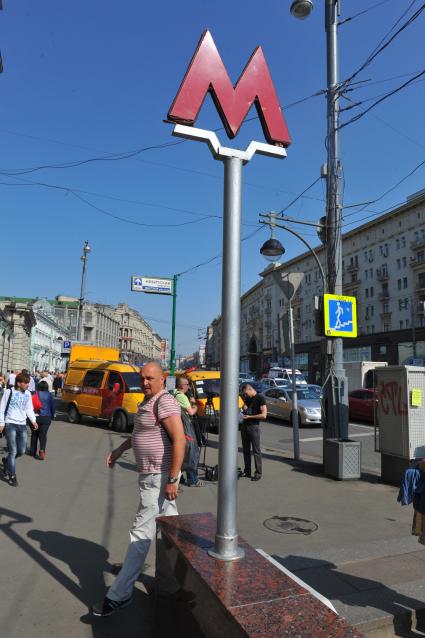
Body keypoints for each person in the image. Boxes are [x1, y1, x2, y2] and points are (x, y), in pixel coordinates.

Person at [92, 361, 185, 617]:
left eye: (150, 379)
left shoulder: (164, 401)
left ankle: (119, 596)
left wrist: (172, 479)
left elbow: (178, 440)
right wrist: (119, 450)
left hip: (159, 478)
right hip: (152, 477)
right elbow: (139, 434)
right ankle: (168, 586)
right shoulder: (147, 401)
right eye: (142, 378)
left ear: (162, 379)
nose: (144, 382)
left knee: (140, 534)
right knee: (166, 533)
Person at [0, 372, 38, 486]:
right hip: (10, 423)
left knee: (21, 451)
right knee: (13, 451)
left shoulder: (27, 394)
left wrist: (33, 421)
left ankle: (7, 461)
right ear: (18, 383)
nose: (27, 385)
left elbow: (29, 409)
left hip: (22, 425)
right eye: (25, 383)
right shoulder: (9, 392)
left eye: (28, 383)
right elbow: (1, 408)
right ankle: (12, 475)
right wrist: (1, 423)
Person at [173, 375, 204, 487]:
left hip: (180, 426)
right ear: (182, 385)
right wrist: (194, 404)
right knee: (192, 452)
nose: (189, 387)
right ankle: (192, 480)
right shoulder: (181, 396)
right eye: (187, 385)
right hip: (185, 428)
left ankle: (179, 478)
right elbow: (191, 412)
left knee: (183, 452)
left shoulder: (174, 393)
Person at [239, 383, 267, 482]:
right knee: (246, 450)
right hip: (244, 426)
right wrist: (243, 409)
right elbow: (246, 409)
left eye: (246, 393)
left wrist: (250, 417)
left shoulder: (260, 398)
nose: (245, 395)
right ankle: (247, 471)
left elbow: (264, 415)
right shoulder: (247, 398)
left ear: (250, 389)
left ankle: (258, 473)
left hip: (254, 427)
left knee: (256, 451)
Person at [29, 380, 55, 460]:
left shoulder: (34, 394)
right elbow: (52, 407)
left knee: (34, 434)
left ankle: (32, 451)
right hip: (46, 417)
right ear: (47, 387)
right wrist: (53, 415)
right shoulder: (49, 395)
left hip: (34, 417)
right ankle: (42, 450)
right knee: (43, 435)